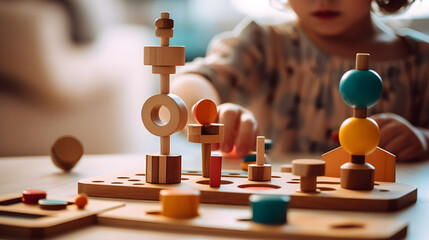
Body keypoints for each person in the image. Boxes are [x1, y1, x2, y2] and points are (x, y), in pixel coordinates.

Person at [171, 0, 429, 161]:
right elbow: (192, 80)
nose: (323, 0)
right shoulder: (262, 43)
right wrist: (209, 115)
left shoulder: (420, 60)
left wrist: (422, 139)